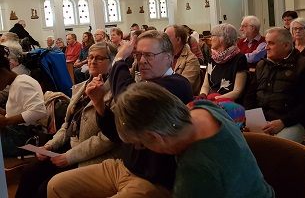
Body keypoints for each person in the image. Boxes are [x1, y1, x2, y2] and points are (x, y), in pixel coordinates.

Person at [47, 31, 193, 198]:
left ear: (168, 57)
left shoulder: (177, 86)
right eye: (138, 55)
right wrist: (99, 104)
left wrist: (119, 59)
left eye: (149, 55)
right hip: (122, 166)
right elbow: (118, 134)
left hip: (151, 179)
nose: (142, 61)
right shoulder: (143, 83)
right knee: (56, 186)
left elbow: (127, 97)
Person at [113, 83, 275, 198]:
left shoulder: (195, 169)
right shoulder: (203, 107)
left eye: (142, 144)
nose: (145, 148)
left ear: (155, 137)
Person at [15, 42, 120, 198]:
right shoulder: (81, 87)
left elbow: (107, 139)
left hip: (92, 155)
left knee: (45, 189)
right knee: (30, 172)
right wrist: (51, 145)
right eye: (90, 57)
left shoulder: (116, 92)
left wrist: (70, 157)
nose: (92, 61)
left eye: (99, 58)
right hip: (69, 145)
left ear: (112, 63)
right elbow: (66, 125)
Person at [244, 27, 305, 143]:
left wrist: (282, 122)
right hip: (263, 120)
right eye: (266, 43)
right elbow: (250, 95)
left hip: (294, 122)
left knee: (276, 148)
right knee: (240, 142)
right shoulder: (262, 65)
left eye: (271, 43)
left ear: (286, 46)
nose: (266, 47)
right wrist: (253, 120)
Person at [0, 44, 46, 157]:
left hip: (21, 137)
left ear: (2, 72)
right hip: (17, 132)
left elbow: (39, 111)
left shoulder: (21, 84)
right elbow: (17, 111)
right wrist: (3, 112)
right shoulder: (17, 82)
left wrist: (6, 121)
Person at [198, 23, 248, 102]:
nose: (210, 39)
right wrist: (202, 96)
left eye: (212, 36)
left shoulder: (239, 58)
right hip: (212, 100)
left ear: (222, 39)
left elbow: (237, 91)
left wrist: (215, 100)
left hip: (228, 102)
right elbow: (205, 85)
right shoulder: (213, 57)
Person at [165, 25, 201, 94]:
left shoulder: (191, 59)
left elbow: (183, 86)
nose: (164, 41)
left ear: (178, 40)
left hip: (181, 99)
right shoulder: (165, 56)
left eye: (167, 38)